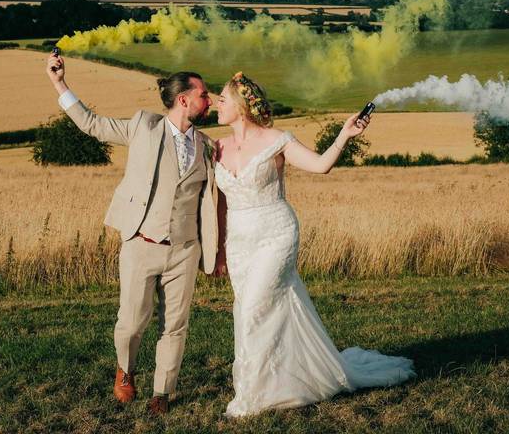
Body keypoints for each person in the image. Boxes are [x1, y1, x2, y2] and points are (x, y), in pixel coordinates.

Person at [214, 71, 415, 418]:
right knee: (251, 310)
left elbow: (321, 166)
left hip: (275, 234)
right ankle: (279, 379)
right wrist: (218, 247)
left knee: (252, 311)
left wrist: (344, 136)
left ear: (242, 106)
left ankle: (252, 393)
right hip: (239, 240)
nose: (218, 104)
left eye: (223, 99)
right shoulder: (216, 147)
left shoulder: (278, 140)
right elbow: (217, 202)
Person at [46, 52, 221, 416]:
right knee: (131, 321)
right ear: (184, 99)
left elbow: (214, 197)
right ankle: (125, 369)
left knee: (176, 325)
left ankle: (163, 392)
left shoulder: (208, 146)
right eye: (205, 95)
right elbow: (92, 123)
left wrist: (217, 250)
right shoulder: (143, 125)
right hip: (142, 243)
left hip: (186, 248)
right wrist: (59, 83)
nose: (210, 100)